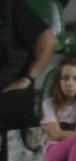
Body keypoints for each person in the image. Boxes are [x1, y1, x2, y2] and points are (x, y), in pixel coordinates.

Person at [0, 0, 57, 135]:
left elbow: (49, 40)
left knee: (15, 102)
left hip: (11, 92)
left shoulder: (10, 6)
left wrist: (27, 79)